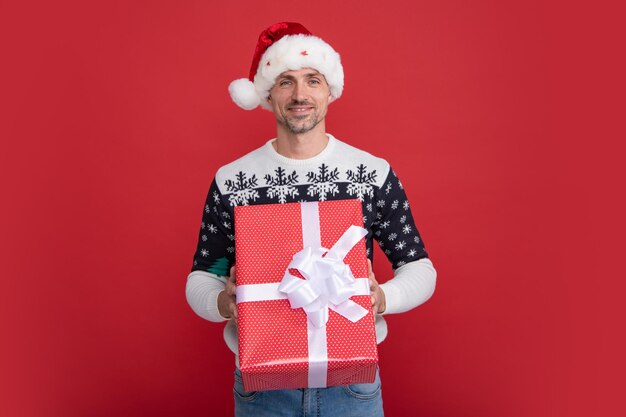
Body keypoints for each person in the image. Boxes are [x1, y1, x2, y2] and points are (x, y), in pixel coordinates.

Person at [185, 22, 437, 417]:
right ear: (268, 93)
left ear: (330, 90)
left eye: (312, 80)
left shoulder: (371, 174)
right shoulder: (232, 181)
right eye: (286, 81)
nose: (300, 95)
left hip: (352, 387)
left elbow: (420, 269)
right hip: (264, 390)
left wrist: (382, 298)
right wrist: (224, 301)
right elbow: (203, 276)